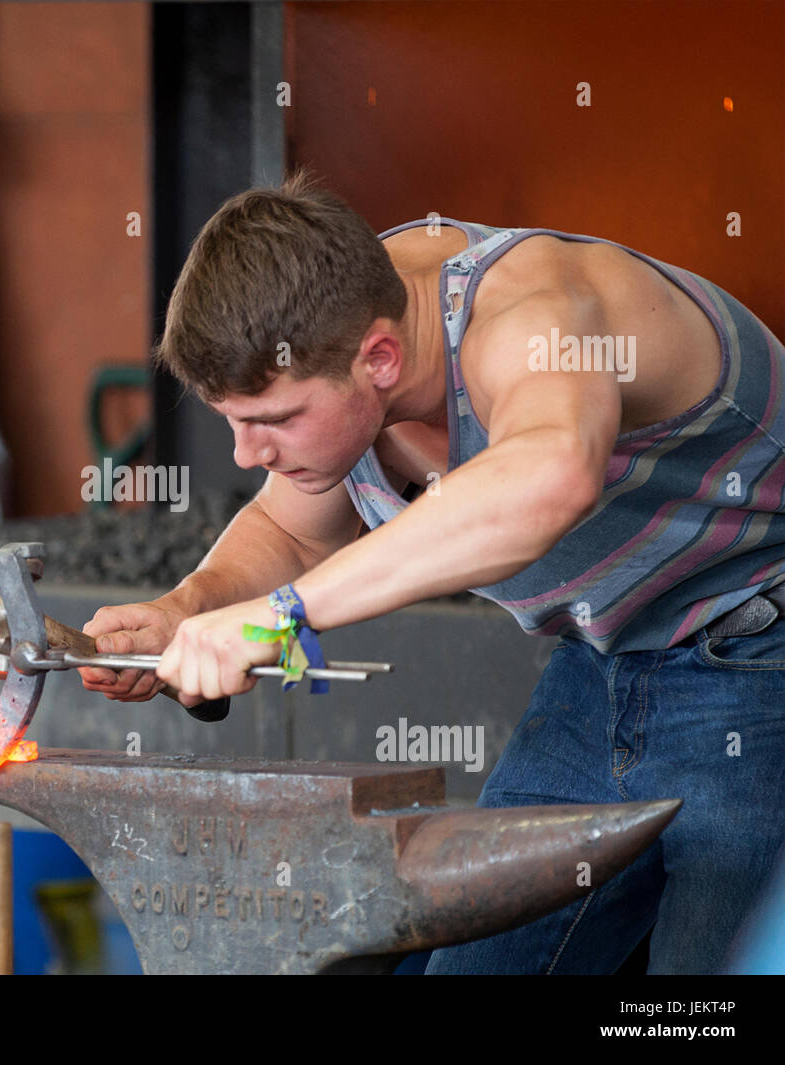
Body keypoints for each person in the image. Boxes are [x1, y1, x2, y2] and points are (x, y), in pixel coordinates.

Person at [79, 169, 785, 974]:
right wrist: (186, 609)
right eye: (233, 425)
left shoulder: (532, 313)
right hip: (604, 664)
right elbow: (286, 527)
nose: (247, 455)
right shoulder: (335, 323)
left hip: (761, 647)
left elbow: (548, 475)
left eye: (271, 422)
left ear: (380, 356)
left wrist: (277, 619)